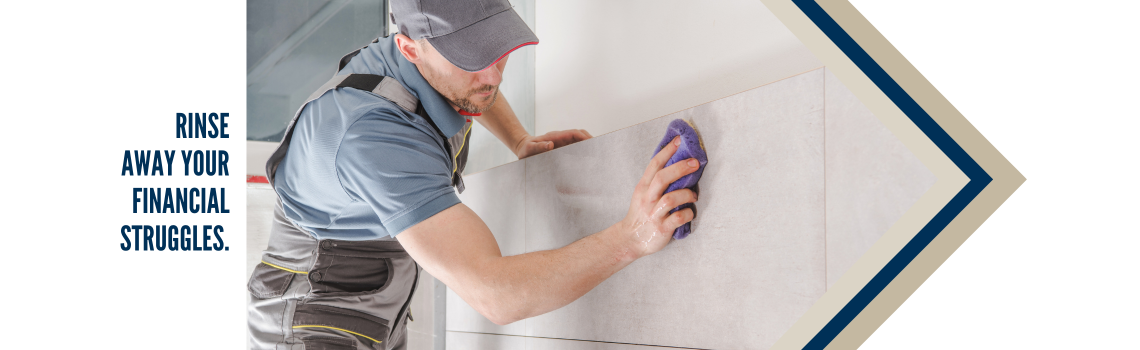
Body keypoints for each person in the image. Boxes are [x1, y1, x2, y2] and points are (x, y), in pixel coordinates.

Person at [247, 0, 699, 349]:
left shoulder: (423, 60)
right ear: (410, 48)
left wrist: (519, 140)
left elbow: (470, 88)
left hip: (372, 300)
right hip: (313, 316)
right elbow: (496, 295)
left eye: (497, 50)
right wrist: (631, 237)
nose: (493, 74)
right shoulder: (375, 138)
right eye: (469, 56)